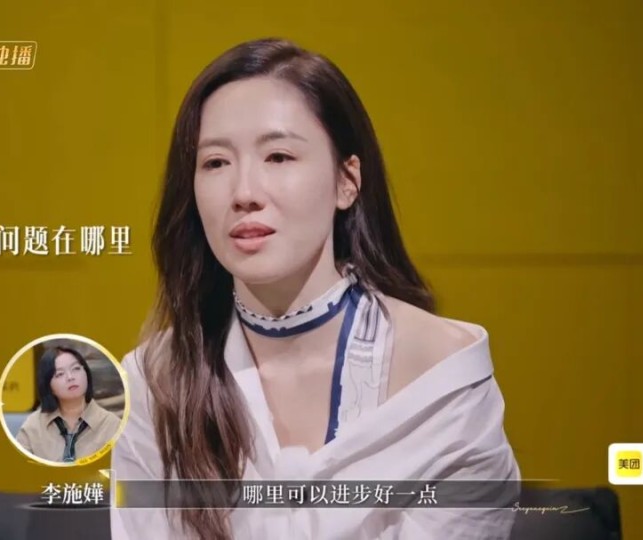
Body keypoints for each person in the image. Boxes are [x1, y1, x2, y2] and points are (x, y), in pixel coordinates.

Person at [111, 38, 520, 539]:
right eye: (215, 163)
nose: (244, 193)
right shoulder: (155, 383)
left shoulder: (443, 374)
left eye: (279, 156)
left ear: (347, 181)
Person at [15, 346, 122, 463]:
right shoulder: (34, 426)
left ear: (86, 373)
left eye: (76, 369)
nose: (70, 377)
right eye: (60, 374)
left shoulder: (112, 425)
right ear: (48, 385)